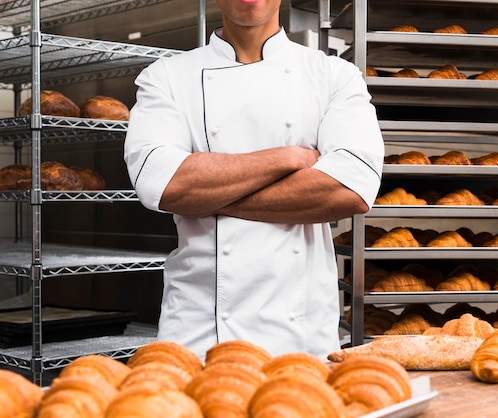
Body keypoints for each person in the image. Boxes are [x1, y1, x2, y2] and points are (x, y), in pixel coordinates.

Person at [124, 0, 384, 361]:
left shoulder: (334, 76)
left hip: (301, 337)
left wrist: (207, 196)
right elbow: (162, 184)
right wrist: (289, 157)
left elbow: (350, 189)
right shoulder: (167, 77)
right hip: (199, 334)